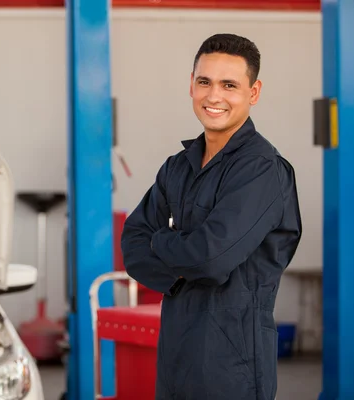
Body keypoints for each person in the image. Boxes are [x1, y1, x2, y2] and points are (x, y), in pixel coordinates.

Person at [120, 33, 302, 400]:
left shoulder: (262, 171)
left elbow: (211, 258)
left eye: (229, 85)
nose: (213, 96)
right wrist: (180, 261)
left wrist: (163, 241)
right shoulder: (177, 168)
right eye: (204, 82)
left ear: (253, 92)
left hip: (233, 362)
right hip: (175, 357)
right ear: (191, 85)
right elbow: (133, 246)